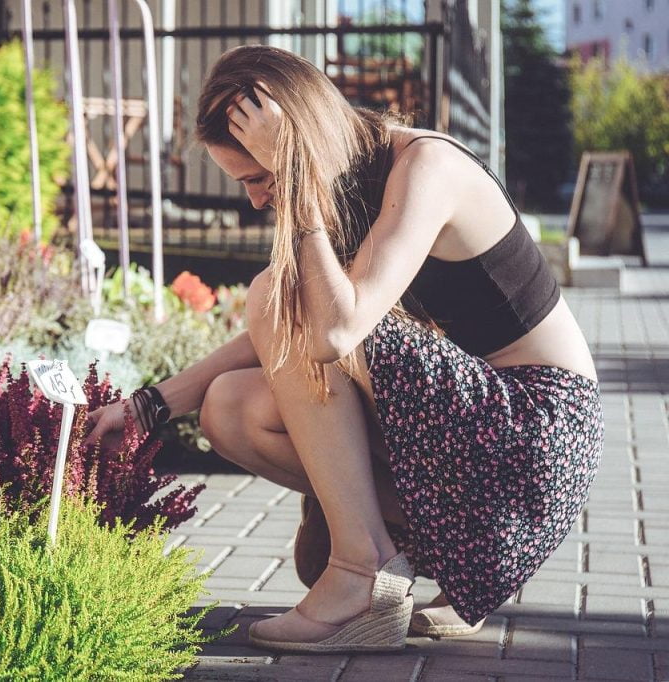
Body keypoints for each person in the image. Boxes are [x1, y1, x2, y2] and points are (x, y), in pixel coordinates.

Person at [83, 45, 603, 654]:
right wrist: (150, 408)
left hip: (533, 439)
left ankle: (365, 571)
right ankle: (399, 559)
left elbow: (332, 331)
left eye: (260, 177)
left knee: (280, 291)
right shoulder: (355, 182)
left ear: (298, 145)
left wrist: (298, 182)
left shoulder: (428, 167)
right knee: (229, 408)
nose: (255, 199)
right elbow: (282, 331)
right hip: (479, 453)